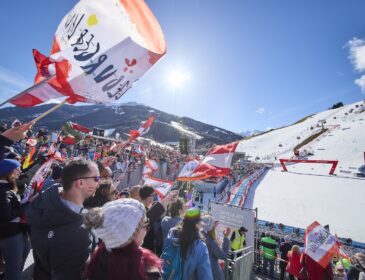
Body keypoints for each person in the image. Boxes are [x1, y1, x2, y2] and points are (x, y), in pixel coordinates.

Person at [27, 159, 100, 279]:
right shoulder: (78, 233)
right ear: (80, 183)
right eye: (96, 178)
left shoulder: (42, 204)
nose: (99, 182)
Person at [85, 199, 162, 280]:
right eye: (146, 223)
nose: (147, 228)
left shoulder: (99, 258)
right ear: (131, 234)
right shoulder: (147, 272)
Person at [0, 159, 31, 280]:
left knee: (17, 263)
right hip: (10, 235)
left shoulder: (7, 186)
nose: (20, 171)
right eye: (16, 169)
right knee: (14, 269)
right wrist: (27, 204)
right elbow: (6, 215)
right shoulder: (4, 191)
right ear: (8, 172)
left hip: (13, 232)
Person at [163, 207, 212, 280]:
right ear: (196, 224)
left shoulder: (171, 235)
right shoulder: (201, 247)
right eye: (200, 222)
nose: (201, 225)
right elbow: (205, 276)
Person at [201, 215, 231, 280]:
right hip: (214, 275)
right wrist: (226, 237)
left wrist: (212, 226)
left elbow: (206, 228)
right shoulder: (212, 243)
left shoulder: (197, 238)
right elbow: (224, 256)